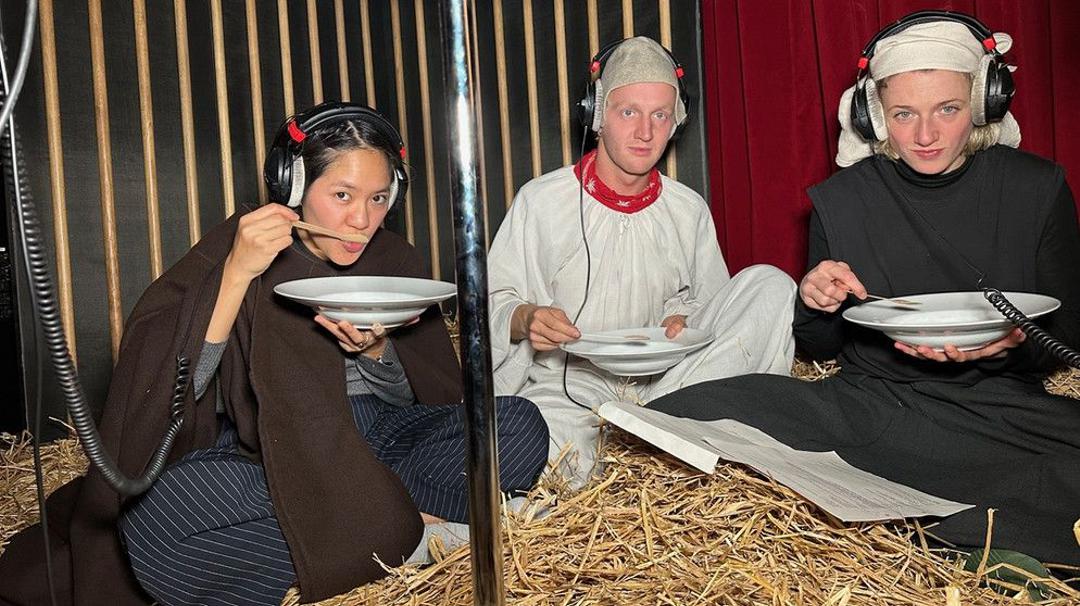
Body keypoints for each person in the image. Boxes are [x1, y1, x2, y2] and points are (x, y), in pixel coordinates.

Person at [0, 102, 549, 605]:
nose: (362, 219)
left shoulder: (395, 259)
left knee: (518, 425)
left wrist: (377, 353)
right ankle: (416, 531)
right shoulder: (240, 247)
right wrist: (237, 274)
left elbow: (426, 397)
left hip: (378, 441)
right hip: (271, 454)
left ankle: (380, 526)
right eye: (342, 195)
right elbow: (177, 389)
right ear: (294, 184)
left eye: (378, 198)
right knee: (160, 520)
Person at [648, 12, 1080, 567]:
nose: (925, 135)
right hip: (872, 405)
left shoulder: (1038, 187)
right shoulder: (843, 198)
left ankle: (942, 530)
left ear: (982, 102)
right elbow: (821, 346)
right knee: (691, 408)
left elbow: (1068, 332)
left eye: (947, 109)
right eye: (904, 114)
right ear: (874, 115)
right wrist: (814, 300)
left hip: (1000, 411)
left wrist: (1013, 344)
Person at [487, 37, 797, 487]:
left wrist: (683, 319)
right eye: (629, 112)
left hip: (670, 383)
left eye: (660, 115)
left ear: (676, 123)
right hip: (570, 389)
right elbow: (495, 302)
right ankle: (656, 442)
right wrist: (525, 317)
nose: (645, 132)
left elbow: (711, 310)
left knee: (771, 284)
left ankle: (659, 423)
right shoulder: (541, 201)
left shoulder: (688, 209)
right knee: (536, 457)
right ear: (596, 115)